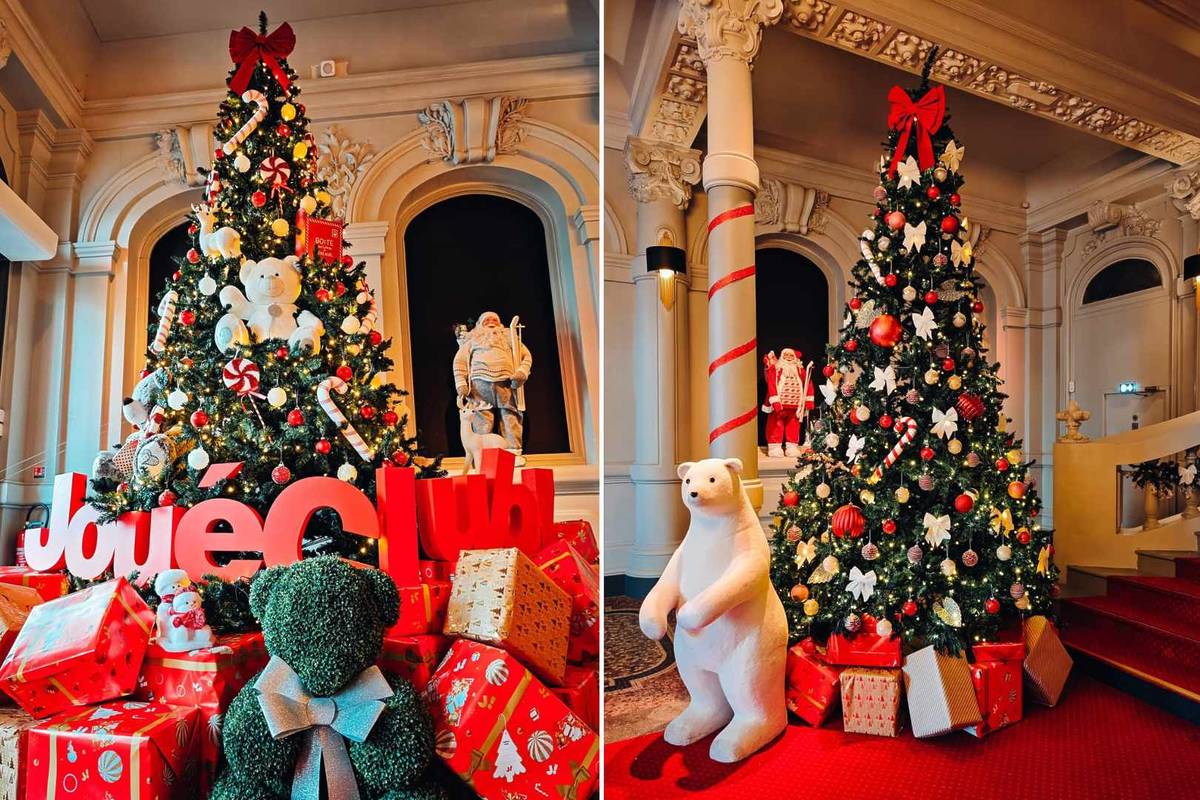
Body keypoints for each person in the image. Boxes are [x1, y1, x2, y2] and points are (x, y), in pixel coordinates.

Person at [453, 311, 532, 453]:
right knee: (481, 419)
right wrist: (461, 383)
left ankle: (513, 453)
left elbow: (526, 356)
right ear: (479, 325)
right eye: (487, 320)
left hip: (506, 384)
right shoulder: (472, 340)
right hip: (479, 387)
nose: (491, 322)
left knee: (510, 417)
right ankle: (482, 455)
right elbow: (459, 361)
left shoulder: (509, 339)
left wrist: (522, 372)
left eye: (495, 319)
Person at [762, 348, 813, 458]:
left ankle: (792, 447)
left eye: (791, 355)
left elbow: (808, 384)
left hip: (795, 407)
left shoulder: (800, 371)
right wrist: (775, 402)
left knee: (793, 426)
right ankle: (775, 447)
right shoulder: (776, 370)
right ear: (782, 357)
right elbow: (771, 384)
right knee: (775, 425)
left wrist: (808, 401)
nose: (789, 357)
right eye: (786, 355)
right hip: (778, 406)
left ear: (795, 358)